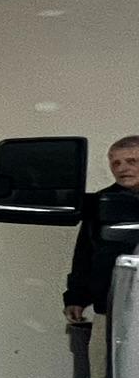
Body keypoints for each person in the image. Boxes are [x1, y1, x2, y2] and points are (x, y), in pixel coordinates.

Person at [65, 135, 139, 323]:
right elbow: (84, 253)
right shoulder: (100, 202)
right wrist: (76, 297)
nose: (122, 168)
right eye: (116, 163)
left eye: (131, 161)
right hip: (109, 307)